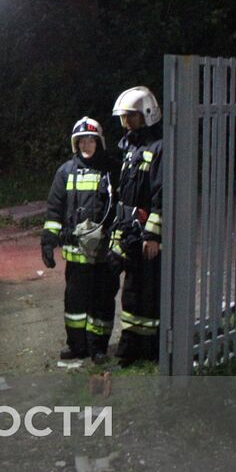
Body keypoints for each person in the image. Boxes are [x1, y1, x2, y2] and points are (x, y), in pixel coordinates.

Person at [41, 117, 120, 361]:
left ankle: (97, 348)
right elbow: (55, 208)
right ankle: (77, 346)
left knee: (102, 302)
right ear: (76, 144)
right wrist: (48, 240)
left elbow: (120, 209)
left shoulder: (112, 170)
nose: (86, 145)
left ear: (99, 142)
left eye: (90, 140)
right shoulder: (65, 172)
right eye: (81, 141)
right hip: (76, 255)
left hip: (102, 253)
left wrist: (117, 245)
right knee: (74, 304)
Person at [110, 86, 164, 364]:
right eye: (124, 118)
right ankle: (130, 341)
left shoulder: (158, 148)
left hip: (146, 234)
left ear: (147, 115)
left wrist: (152, 235)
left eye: (131, 117)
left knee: (148, 290)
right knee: (129, 289)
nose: (126, 123)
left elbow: (160, 195)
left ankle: (150, 346)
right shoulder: (129, 147)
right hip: (128, 229)